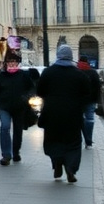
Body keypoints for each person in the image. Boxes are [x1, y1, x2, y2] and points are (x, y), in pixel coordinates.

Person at [37, 45, 91, 183]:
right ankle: (70, 167)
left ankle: (57, 163)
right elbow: (87, 94)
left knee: (53, 141)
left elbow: (40, 91)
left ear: (58, 55)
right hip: (73, 114)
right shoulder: (79, 74)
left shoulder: (48, 72)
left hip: (52, 113)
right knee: (73, 142)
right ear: (71, 57)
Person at [0, 50, 35, 165]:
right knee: (5, 127)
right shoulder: (0, 76)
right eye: (9, 62)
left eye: (14, 62)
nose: (12, 64)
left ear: (18, 63)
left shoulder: (24, 75)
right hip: (4, 107)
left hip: (20, 107)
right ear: (6, 63)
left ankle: (16, 152)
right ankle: (6, 155)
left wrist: (27, 97)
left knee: (18, 130)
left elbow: (32, 88)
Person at [77, 57, 101, 149]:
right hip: (90, 100)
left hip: (78, 101)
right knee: (90, 120)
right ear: (88, 63)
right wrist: (96, 100)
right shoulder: (93, 73)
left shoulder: (76, 72)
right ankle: (89, 141)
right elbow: (97, 87)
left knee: (78, 120)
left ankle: (79, 140)